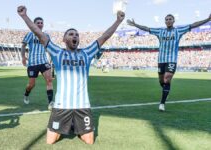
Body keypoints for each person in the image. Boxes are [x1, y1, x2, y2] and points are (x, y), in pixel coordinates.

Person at [17, 5, 125, 144]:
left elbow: (105, 36)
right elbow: (39, 34)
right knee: (50, 141)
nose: (75, 36)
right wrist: (24, 16)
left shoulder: (87, 52)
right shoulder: (57, 52)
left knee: (89, 141)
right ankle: (70, 124)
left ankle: (75, 124)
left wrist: (118, 21)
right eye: (71, 34)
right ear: (64, 39)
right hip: (62, 105)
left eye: (77, 35)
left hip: (82, 105)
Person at [127, 13, 211, 111]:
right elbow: (147, 28)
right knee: (161, 81)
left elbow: (193, 25)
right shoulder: (160, 31)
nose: (168, 20)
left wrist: (207, 19)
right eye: (166, 19)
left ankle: (162, 103)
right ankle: (166, 91)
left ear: (173, 21)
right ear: (165, 21)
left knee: (167, 79)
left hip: (172, 60)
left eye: (170, 19)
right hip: (161, 60)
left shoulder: (178, 31)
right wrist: (136, 24)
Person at [21, 16, 54, 110]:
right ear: (34, 24)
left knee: (49, 80)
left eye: (41, 23)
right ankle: (26, 94)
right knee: (31, 84)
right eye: (38, 23)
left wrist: (52, 58)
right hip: (32, 63)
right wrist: (23, 57)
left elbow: (49, 47)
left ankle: (51, 102)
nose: (40, 24)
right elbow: (23, 45)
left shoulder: (46, 36)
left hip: (44, 62)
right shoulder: (30, 34)